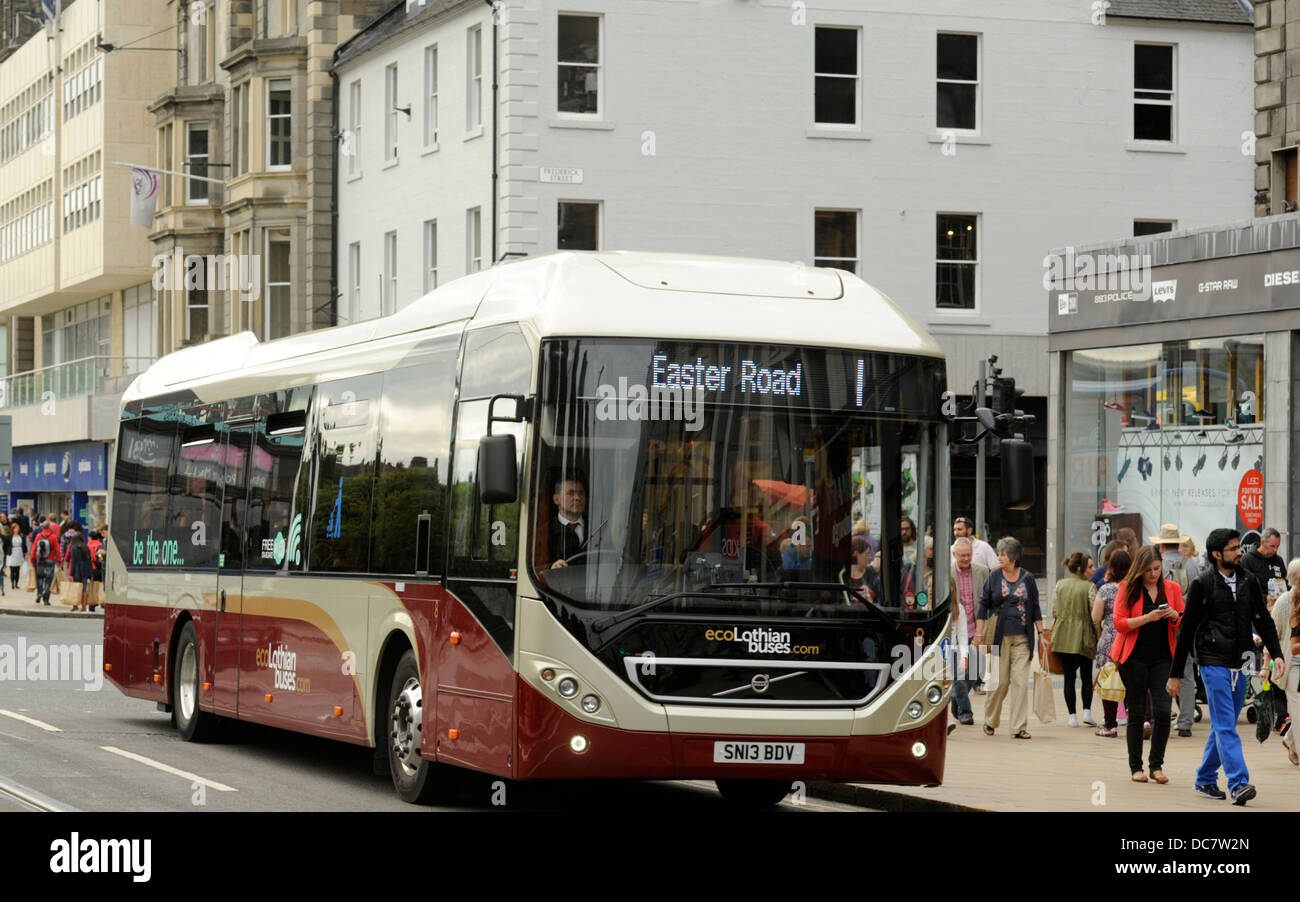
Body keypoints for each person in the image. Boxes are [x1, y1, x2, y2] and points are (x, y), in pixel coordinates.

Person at [1167, 528, 1286, 805]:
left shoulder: (1249, 580)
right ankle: (1238, 782)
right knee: (1224, 724)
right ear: (1217, 554)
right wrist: (1175, 674)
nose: (1239, 552)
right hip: (1213, 661)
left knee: (1225, 725)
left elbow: (1264, 620)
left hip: (1244, 660)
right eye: (1233, 548)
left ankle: (1205, 778)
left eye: (1238, 547)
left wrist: (1276, 653)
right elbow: (1186, 631)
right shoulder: (1202, 584)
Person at [1112, 546, 1184, 784]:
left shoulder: (1172, 589)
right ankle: (1136, 767)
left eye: (1157, 568)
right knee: (1137, 712)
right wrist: (1147, 618)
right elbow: (1120, 623)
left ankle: (1156, 766)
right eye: (1149, 570)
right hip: (1134, 658)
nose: (1153, 574)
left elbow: (1182, 622)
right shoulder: (1127, 588)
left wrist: (1173, 615)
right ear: (1140, 570)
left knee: (1163, 712)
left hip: (1163, 657)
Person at [975, 536, 1044, 740]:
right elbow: (982, 605)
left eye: (1002, 554)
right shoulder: (994, 577)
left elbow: (1036, 607)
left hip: (1022, 638)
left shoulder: (1028, 578)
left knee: (1021, 682)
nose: (999, 557)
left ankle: (1018, 727)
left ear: (1013, 557)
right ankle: (990, 720)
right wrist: (979, 634)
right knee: (1000, 682)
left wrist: (1041, 634)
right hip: (999, 637)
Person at [1149, 523, 1198, 737]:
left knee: (1161, 671)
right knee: (1186, 674)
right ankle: (1186, 721)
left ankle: (1162, 716)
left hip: (1161, 624)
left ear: (1161, 546)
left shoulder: (1158, 566)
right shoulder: (1192, 564)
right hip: (1186, 623)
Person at [1052, 552, 1098, 728]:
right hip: (1084, 635)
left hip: (1063, 635)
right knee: (1086, 675)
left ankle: (1072, 716)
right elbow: (1094, 615)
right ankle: (1087, 711)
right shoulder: (1089, 587)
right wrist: (1098, 636)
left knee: (1069, 677)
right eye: (1090, 566)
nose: (1093, 569)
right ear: (1080, 569)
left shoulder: (1060, 585)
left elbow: (1055, 611)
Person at [949, 537, 989, 725]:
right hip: (955, 632)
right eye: (962, 555)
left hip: (976, 628)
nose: (966, 559)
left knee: (974, 673)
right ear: (954, 554)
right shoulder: (947, 572)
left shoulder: (981, 572)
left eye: (969, 555)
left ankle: (955, 698)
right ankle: (966, 712)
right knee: (959, 673)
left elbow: (987, 601)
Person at [1092, 548, 1132, 737]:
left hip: (1109, 638)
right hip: (1131, 636)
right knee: (1135, 679)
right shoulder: (1134, 588)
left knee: (1108, 681)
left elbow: (1095, 616)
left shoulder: (1105, 589)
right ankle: (1143, 719)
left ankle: (1110, 724)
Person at [1267, 557, 1300, 766]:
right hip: (1292, 664)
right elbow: (1272, 635)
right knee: (1297, 711)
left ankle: (1290, 739)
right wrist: (1265, 666)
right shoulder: (1284, 602)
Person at [546, 476, 588, 569]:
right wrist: (551, 567)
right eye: (571, 493)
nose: (577, 498)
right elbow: (535, 568)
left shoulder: (599, 526)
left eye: (581, 493)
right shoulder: (544, 532)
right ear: (556, 499)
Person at [1240, 526, 1288, 607]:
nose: (1275, 550)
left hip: (1277, 607)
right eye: (1272, 546)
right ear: (1263, 542)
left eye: (1277, 546)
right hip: (1256, 610)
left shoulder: (1279, 560)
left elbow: (1285, 582)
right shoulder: (1247, 560)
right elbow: (1244, 589)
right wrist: (1265, 598)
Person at [29, 516, 63, 605]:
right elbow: (57, 550)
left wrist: (32, 560)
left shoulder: (38, 536)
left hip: (40, 559)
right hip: (50, 560)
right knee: (48, 580)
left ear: (42, 527)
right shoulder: (53, 537)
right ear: (49, 527)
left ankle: (39, 593)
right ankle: (46, 599)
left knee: (40, 578)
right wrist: (59, 562)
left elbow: (34, 549)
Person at [840, 536, 882, 605]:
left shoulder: (871, 573)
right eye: (866, 554)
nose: (869, 557)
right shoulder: (843, 575)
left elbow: (880, 598)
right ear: (855, 553)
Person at [66, 533, 93, 612]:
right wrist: (90, 573)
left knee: (76, 587)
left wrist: (71, 573)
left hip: (77, 570)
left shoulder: (73, 547)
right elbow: (89, 560)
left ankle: (75, 605)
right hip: (85, 570)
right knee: (84, 588)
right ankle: (84, 607)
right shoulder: (86, 547)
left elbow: (73, 561)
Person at [7, 523, 24, 590]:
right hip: (12, 553)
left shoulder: (21, 536)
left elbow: (24, 545)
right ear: (12, 529)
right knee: (12, 570)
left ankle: (16, 584)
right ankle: (12, 583)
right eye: (15, 528)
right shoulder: (10, 536)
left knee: (17, 570)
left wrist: (25, 553)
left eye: (17, 528)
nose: (16, 529)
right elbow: (7, 545)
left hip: (19, 553)